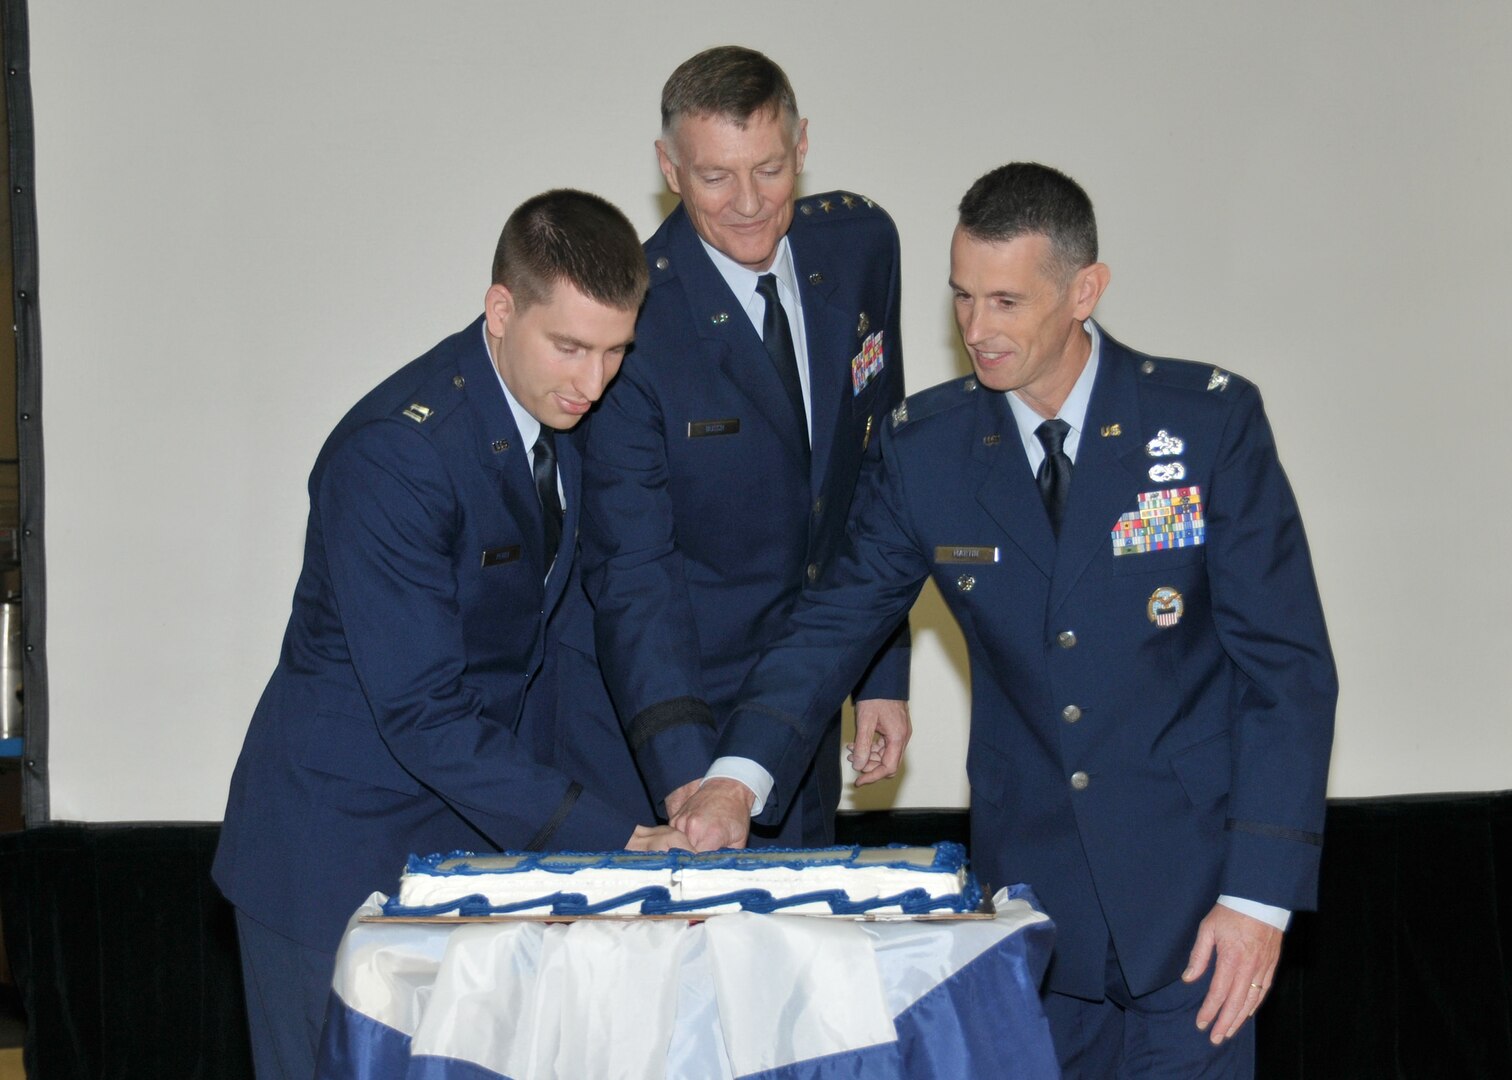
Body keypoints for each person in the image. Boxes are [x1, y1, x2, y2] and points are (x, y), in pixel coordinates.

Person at [673, 162, 1336, 1078]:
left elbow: (1288, 675)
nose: (976, 331)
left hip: (1196, 909)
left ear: (1084, 292)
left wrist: (1260, 901)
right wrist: (738, 777)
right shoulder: (929, 450)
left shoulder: (1205, 426)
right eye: (960, 299)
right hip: (1035, 915)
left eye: (1006, 302)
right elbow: (832, 624)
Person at [212, 189, 688, 1079]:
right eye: (571, 348)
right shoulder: (397, 456)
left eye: (616, 351)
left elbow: (542, 646)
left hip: (466, 853)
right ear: (500, 309)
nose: (594, 381)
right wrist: (605, 836)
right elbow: (424, 710)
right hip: (334, 862)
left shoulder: (557, 414)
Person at [572, 46, 911, 846]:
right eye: (717, 177)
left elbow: (877, 479)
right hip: (668, 720)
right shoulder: (636, 322)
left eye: (769, 168)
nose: (750, 204)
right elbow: (633, 573)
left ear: (801, 147)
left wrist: (879, 674)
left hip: (806, 701)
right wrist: (694, 783)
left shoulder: (859, 245)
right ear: (670, 168)